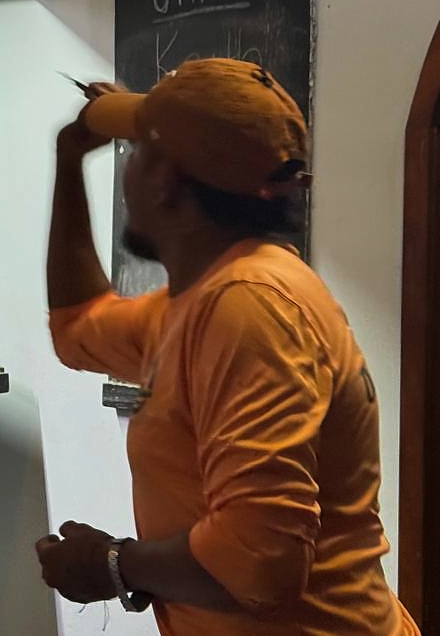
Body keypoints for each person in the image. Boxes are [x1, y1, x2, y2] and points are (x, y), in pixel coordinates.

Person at [35, 58, 420, 636]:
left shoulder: (248, 308)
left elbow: (259, 564)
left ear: (166, 181)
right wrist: (69, 161)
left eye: (137, 153)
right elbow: (76, 327)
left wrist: (111, 565)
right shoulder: (198, 301)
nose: (128, 170)